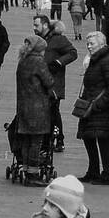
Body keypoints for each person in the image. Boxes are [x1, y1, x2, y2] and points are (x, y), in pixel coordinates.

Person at [75, 30, 109, 183]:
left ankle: (106, 175)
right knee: (89, 138)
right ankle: (93, 171)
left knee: (102, 140)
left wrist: (99, 104)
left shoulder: (107, 62)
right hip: (89, 107)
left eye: (91, 43)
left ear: (101, 44)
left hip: (99, 108)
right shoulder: (93, 60)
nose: (88, 46)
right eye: (87, 43)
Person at [34, 13, 78, 152]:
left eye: (36, 25)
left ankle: (59, 139)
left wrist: (58, 62)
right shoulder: (38, 39)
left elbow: (72, 53)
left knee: (53, 112)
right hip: (40, 82)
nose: (34, 28)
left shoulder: (58, 39)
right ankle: (46, 140)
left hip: (54, 83)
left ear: (45, 25)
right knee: (44, 112)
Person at [14, 33, 56, 168]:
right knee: (36, 141)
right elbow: (49, 81)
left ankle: (25, 167)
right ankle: (33, 172)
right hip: (37, 107)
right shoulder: (38, 61)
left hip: (23, 105)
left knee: (26, 140)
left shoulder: (23, 60)